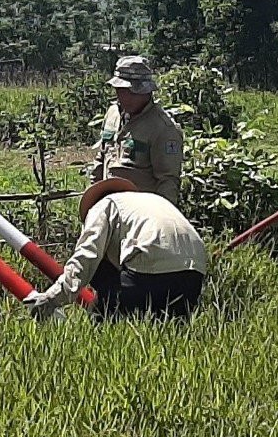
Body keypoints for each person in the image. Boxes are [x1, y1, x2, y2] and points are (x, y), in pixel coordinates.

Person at [26, 177, 207, 321]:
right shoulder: (149, 202)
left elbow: (86, 256)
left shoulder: (103, 206)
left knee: (104, 324)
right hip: (194, 274)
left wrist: (52, 298)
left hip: (149, 267)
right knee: (170, 335)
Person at [89, 55, 184, 205]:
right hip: (108, 206)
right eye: (121, 91)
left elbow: (168, 182)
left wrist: (159, 219)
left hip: (141, 212)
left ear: (147, 92)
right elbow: (101, 158)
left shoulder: (163, 129)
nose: (125, 98)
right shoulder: (113, 114)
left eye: (132, 92)